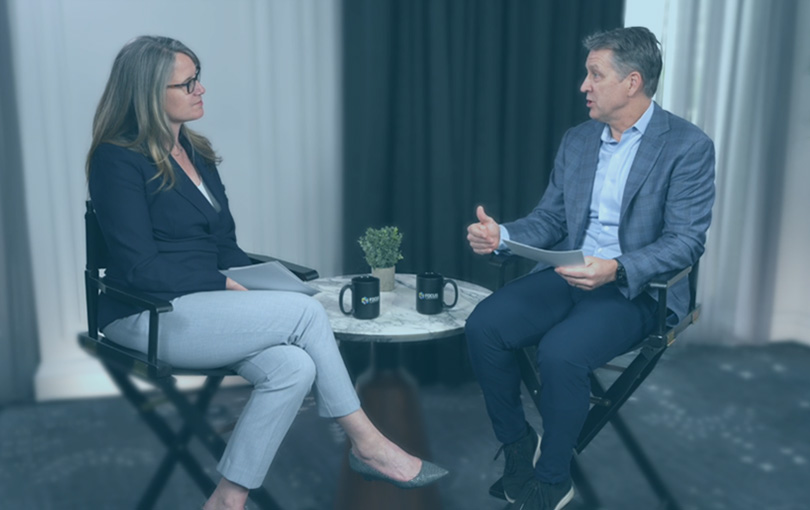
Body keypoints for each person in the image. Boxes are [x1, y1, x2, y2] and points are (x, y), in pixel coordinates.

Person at [86, 36, 447, 510]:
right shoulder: (117, 160)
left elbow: (223, 248)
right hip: (146, 314)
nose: (202, 89)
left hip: (201, 304)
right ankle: (368, 443)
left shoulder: (196, 152)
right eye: (188, 82)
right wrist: (225, 284)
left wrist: (259, 279)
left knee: (293, 366)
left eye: (199, 77)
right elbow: (138, 267)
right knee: (302, 314)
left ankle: (227, 500)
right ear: (149, 93)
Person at [465, 27, 715, 510]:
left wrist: (617, 268)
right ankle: (518, 447)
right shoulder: (579, 140)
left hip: (639, 289)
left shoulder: (688, 146)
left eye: (594, 74)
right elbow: (552, 219)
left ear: (632, 82)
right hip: (569, 275)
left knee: (561, 353)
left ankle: (554, 478)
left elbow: (685, 241)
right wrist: (504, 236)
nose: (584, 85)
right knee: (484, 325)